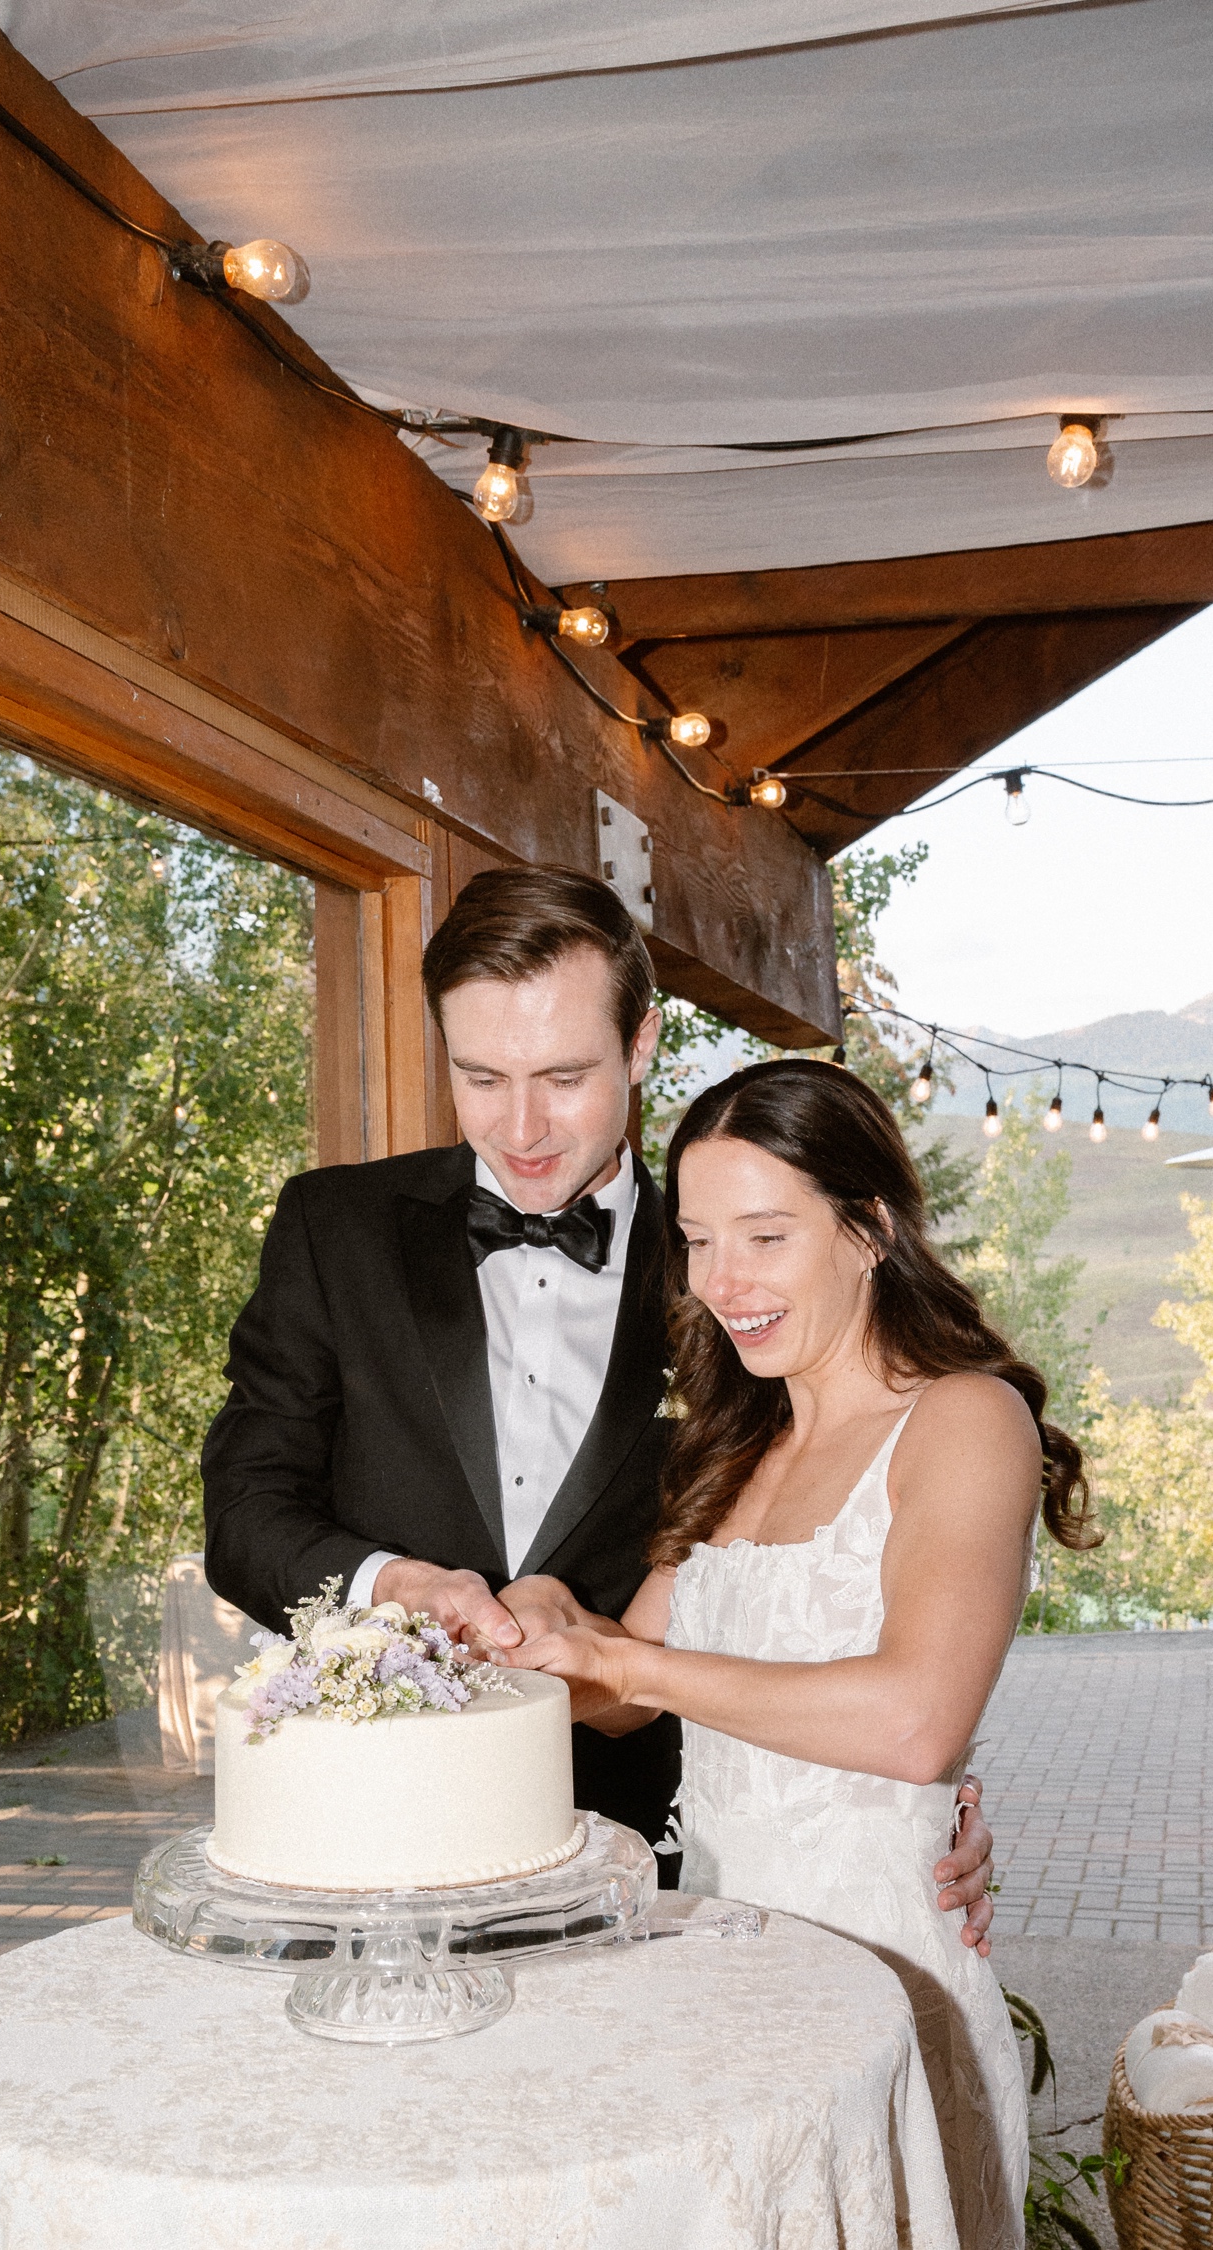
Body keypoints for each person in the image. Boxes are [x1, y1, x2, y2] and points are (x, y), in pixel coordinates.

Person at [202, 867, 997, 1932]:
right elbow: (248, 1514)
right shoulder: (332, 1228)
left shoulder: (739, 1270)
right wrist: (405, 1588)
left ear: (640, 1044)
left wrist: (910, 1811)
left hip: (661, 1855)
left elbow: (876, 1579)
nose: (522, 1126)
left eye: (564, 1076)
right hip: (378, 1828)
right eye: (481, 1077)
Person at [495, 1058, 1101, 2248]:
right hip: (723, 1975)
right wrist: (545, 1630)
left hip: (886, 1980)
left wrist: (625, 1669)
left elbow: (915, 1724)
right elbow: (625, 1690)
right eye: (700, 1240)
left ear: (869, 1228)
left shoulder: (967, 1419)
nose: (723, 1281)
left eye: (765, 1237)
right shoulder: (739, 1444)